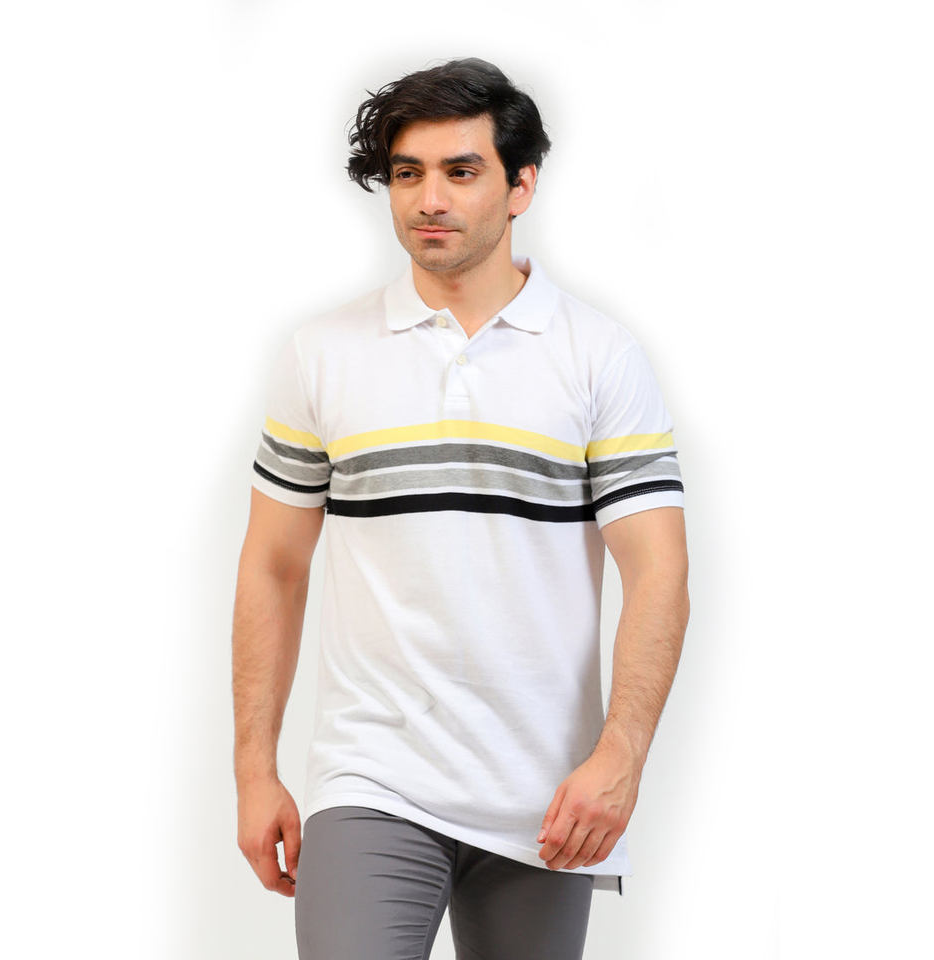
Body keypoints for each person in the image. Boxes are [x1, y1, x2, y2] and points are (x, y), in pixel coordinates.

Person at [232, 57, 690, 960]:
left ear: (522, 185)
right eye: (407, 173)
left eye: (461, 170)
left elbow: (659, 571)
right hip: (372, 779)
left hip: (547, 798)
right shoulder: (323, 353)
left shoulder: (598, 356)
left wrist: (621, 756)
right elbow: (273, 567)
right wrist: (254, 769)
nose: (429, 199)